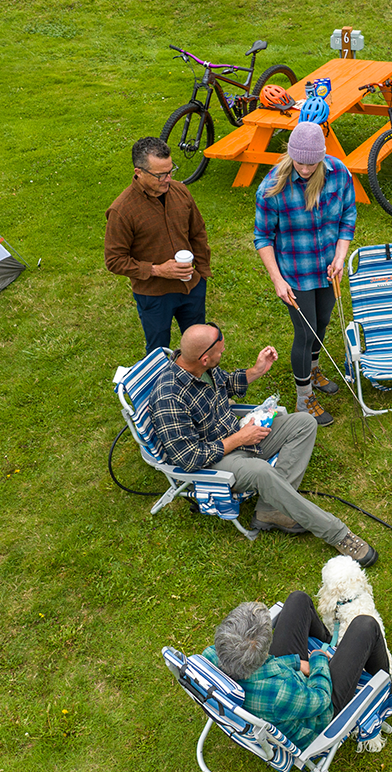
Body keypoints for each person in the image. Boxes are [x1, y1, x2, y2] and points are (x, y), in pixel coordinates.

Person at [150, 323, 377, 566]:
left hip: (238, 436)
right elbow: (189, 458)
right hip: (215, 461)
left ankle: (271, 510)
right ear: (204, 358)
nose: (223, 353)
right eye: (220, 352)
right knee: (263, 472)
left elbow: (226, 382)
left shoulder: (200, 367)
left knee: (304, 422)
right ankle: (338, 534)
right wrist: (239, 439)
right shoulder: (169, 397)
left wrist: (257, 370)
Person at [202, 591, 392, 749]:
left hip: (276, 690)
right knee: (365, 625)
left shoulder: (212, 656)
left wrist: (296, 663)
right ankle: (386, 687)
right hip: (319, 713)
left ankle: (339, 651)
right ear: (262, 652)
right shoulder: (281, 691)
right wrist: (318, 659)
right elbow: (321, 698)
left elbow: (271, 666)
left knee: (298, 600)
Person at [254, 122, 357, 427]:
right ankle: (303, 399)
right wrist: (277, 279)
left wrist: (340, 256)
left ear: (322, 158)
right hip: (295, 272)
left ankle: (312, 370)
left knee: (322, 321)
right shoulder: (273, 186)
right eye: (300, 162)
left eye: (312, 163)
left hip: (327, 268)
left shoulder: (338, 174)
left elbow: (348, 215)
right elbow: (263, 237)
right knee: (307, 331)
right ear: (290, 155)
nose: (306, 168)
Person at [105, 137, 211, 353]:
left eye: (171, 171)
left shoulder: (180, 191)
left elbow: (197, 232)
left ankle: (201, 385)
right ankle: (159, 386)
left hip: (192, 286)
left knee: (200, 348)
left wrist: (201, 273)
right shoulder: (122, 211)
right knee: (158, 351)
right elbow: (114, 261)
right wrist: (158, 270)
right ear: (139, 172)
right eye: (160, 175)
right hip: (154, 295)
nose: (167, 179)